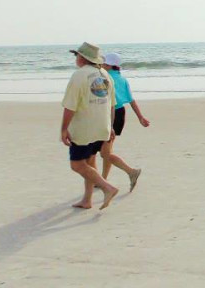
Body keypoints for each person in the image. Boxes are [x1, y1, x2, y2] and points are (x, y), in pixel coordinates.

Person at [61, 42, 119, 210]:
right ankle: (87, 200)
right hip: (102, 126)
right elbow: (111, 104)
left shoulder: (79, 75)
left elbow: (70, 105)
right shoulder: (105, 74)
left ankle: (107, 187)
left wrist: (64, 129)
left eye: (76, 55)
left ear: (82, 58)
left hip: (84, 129)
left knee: (77, 164)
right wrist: (111, 127)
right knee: (90, 160)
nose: (76, 58)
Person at [100, 52, 148, 188]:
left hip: (110, 114)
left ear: (109, 65)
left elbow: (107, 102)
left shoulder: (106, 78)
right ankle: (103, 179)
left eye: (104, 62)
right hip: (120, 114)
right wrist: (140, 117)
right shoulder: (122, 79)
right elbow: (131, 100)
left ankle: (131, 171)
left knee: (105, 153)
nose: (102, 64)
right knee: (107, 150)